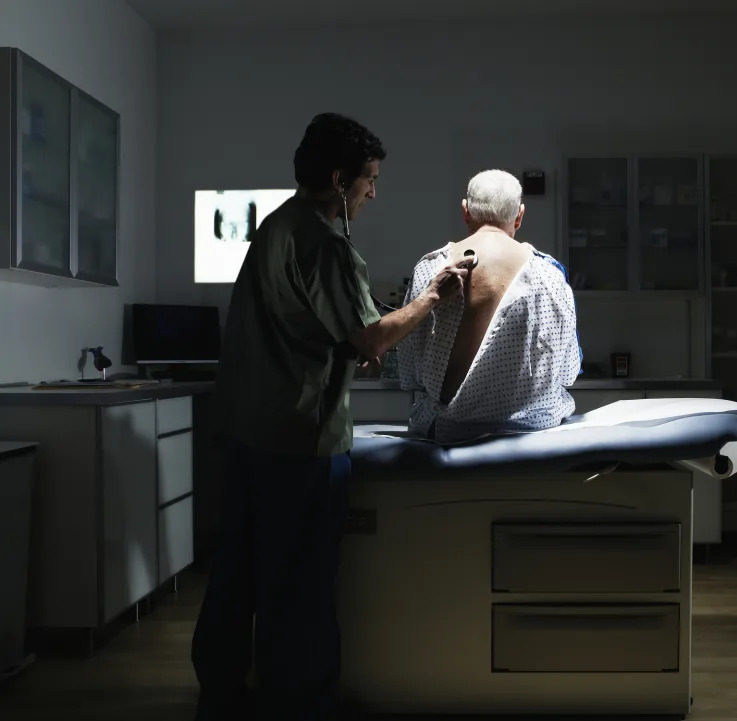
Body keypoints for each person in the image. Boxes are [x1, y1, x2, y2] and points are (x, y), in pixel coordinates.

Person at [191, 112, 468, 721]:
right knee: (298, 589)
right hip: (298, 444)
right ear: (341, 180)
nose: (375, 191)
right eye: (370, 179)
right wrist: (431, 298)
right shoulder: (328, 244)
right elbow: (369, 339)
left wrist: (344, 343)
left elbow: (301, 325)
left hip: (241, 434)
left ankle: (221, 699)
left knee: (234, 576)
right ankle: (300, 704)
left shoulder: (275, 228)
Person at [398, 169, 582, 443]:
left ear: (465, 211)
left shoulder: (431, 269)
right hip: (532, 431)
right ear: (519, 215)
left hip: (448, 432)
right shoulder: (549, 274)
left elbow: (409, 370)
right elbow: (568, 372)